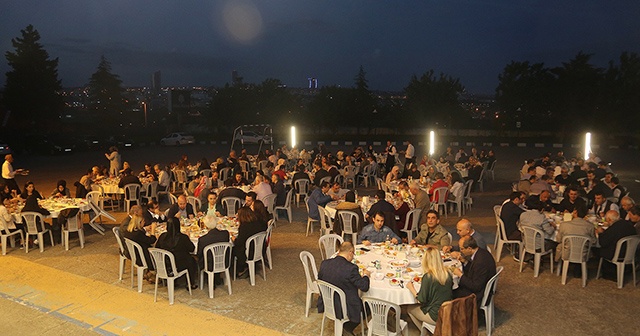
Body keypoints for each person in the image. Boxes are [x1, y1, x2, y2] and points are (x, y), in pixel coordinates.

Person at [317, 242, 370, 336]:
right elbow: (364, 287)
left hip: (328, 302)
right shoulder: (351, 268)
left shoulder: (324, 263)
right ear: (350, 252)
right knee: (368, 304)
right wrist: (366, 275)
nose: (353, 257)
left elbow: (320, 280)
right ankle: (347, 327)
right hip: (344, 306)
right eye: (353, 254)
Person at [406, 247, 453, 327]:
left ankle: (424, 331)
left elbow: (421, 300)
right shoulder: (448, 273)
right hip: (449, 311)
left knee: (409, 309)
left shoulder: (428, 277)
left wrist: (411, 288)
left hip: (435, 315)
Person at [452, 236, 496, 305]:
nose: (461, 251)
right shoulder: (480, 252)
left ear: (469, 248)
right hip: (480, 285)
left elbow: (475, 287)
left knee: (450, 291)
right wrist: (465, 262)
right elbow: (474, 269)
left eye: (462, 249)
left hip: (479, 294)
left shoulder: (480, 262)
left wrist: (460, 275)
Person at [156, 217, 198, 289]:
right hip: (179, 264)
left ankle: (173, 278)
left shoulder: (162, 236)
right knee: (192, 260)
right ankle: (191, 283)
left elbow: (157, 248)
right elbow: (192, 249)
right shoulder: (183, 238)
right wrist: (188, 238)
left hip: (165, 263)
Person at [122, 207, 156, 283]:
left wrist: (144, 229)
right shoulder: (138, 234)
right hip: (141, 257)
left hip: (135, 254)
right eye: (143, 221)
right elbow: (151, 241)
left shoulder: (129, 231)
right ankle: (153, 272)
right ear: (139, 223)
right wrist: (153, 230)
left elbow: (141, 236)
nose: (144, 223)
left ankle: (150, 274)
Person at [233, 206, 268, 279]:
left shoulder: (244, 226)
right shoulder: (258, 222)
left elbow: (239, 242)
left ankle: (239, 268)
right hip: (260, 248)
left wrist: (232, 238)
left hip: (249, 252)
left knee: (232, 248)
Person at [196, 217, 230, 289]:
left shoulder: (203, 239)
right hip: (223, 261)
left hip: (209, 265)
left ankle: (210, 279)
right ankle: (216, 277)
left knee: (202, 257)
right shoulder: (225, 234)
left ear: (205, 226)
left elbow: (199, 254)